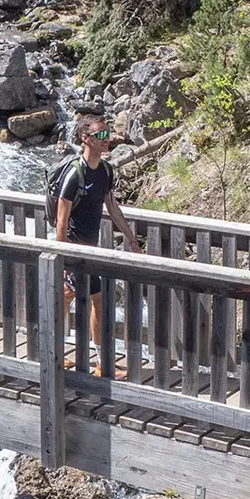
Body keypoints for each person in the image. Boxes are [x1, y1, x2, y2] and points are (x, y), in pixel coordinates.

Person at [53, 114, 140, 378]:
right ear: (85, 138)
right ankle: (95, 363)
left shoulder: (105, 171)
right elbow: (61, 220)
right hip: (74, 250)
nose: (107, 139)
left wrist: (131, 238)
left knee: (75, 299)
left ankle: (62, 354)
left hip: (88, 250)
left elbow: (112, 206)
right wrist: (63, 256)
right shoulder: (74, 174)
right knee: (89, 299)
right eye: (101, 135)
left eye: (107, 134)